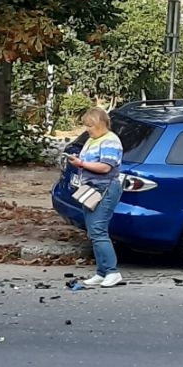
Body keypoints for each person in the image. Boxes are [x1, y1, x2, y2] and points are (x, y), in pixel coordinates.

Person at [67, 107, 125, 287]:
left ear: (101, 124)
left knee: (98, 230)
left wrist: (81, 163)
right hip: (91, 188)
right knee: (93, 231)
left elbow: (105, 167)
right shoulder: (93, 140)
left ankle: (113, 272)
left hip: (104, 188)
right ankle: (102, 271)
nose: (87, 129)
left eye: (90, 125)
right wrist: (78, 161)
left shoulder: (110, 141)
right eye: (86, 125)